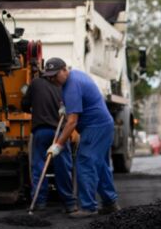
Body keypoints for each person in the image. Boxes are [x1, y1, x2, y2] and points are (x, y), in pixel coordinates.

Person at [42, 58, 120, 218]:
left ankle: (88, 207)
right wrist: (65, 106)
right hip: (102, 125)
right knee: (100, 165)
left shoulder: (72, 85)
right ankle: (110, 202)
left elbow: (72, 122)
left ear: (64, 70)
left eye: (55, 75)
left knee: (85, 162)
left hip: (95, 127)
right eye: (49, 76)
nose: (52, 79)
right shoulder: (74, 77)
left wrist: (58, 145)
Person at [20, 69, 76, 213]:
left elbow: (24, 104)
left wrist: (34, 109)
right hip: (60, 132)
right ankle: (69, 203)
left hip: (41, 130)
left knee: (39, 167)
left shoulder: (35, 83)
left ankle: (39, 202)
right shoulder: (64, 85)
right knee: (63, 167)